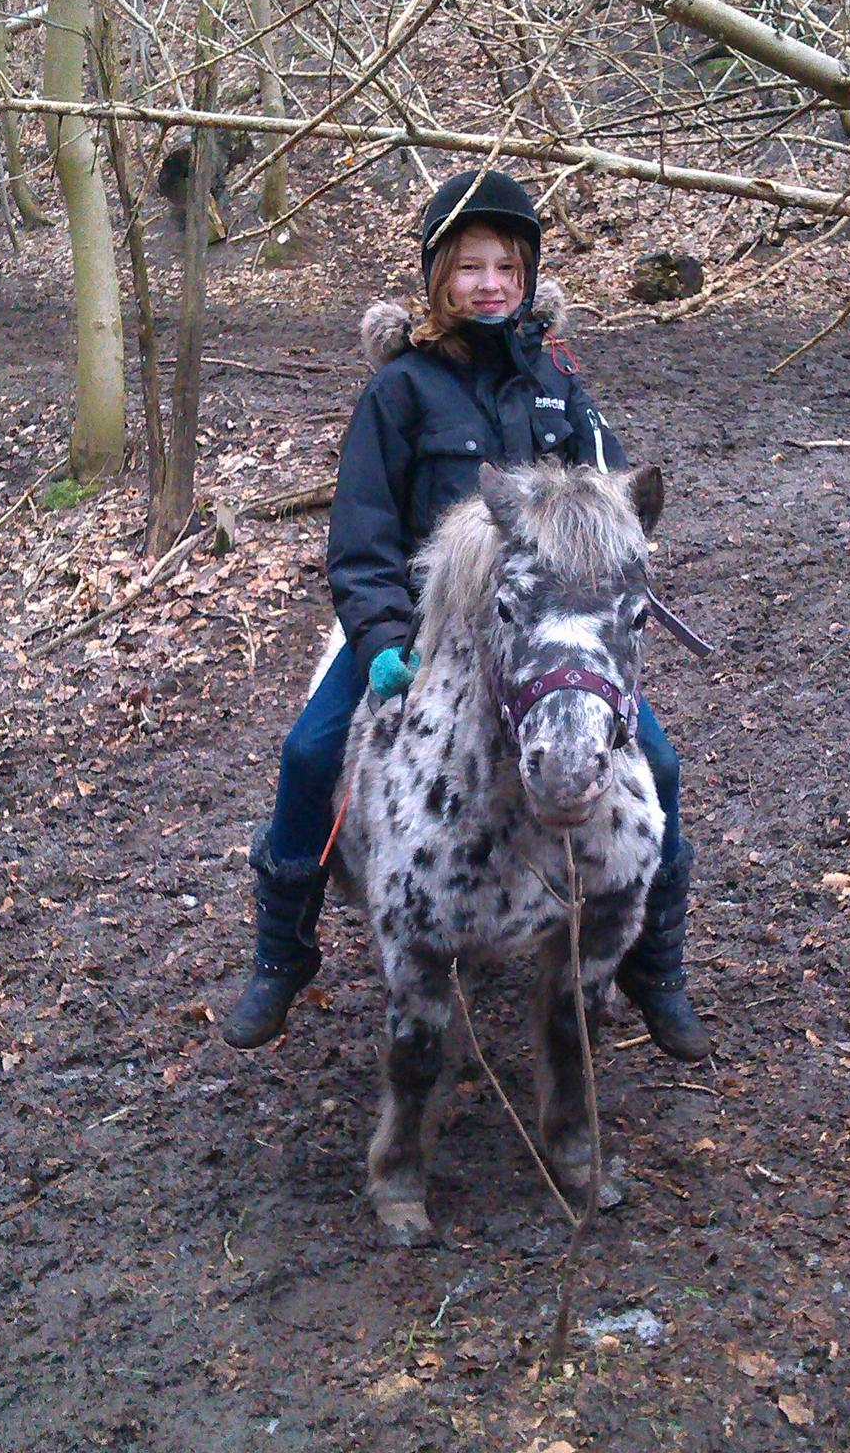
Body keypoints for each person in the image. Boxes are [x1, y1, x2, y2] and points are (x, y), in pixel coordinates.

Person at [221, 169, 711, 1063]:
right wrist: (379, 639)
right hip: (423, 624)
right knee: (307, 755)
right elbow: (361, 537)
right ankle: (281, 956)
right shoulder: (399, 391)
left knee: (660, 765)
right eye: (470, 267)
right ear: (438, 275)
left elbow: (609, 501)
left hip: (544, 628)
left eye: (507, 268)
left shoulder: (556, 382)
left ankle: (654, 965)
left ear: (528, 276)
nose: (491, 284)